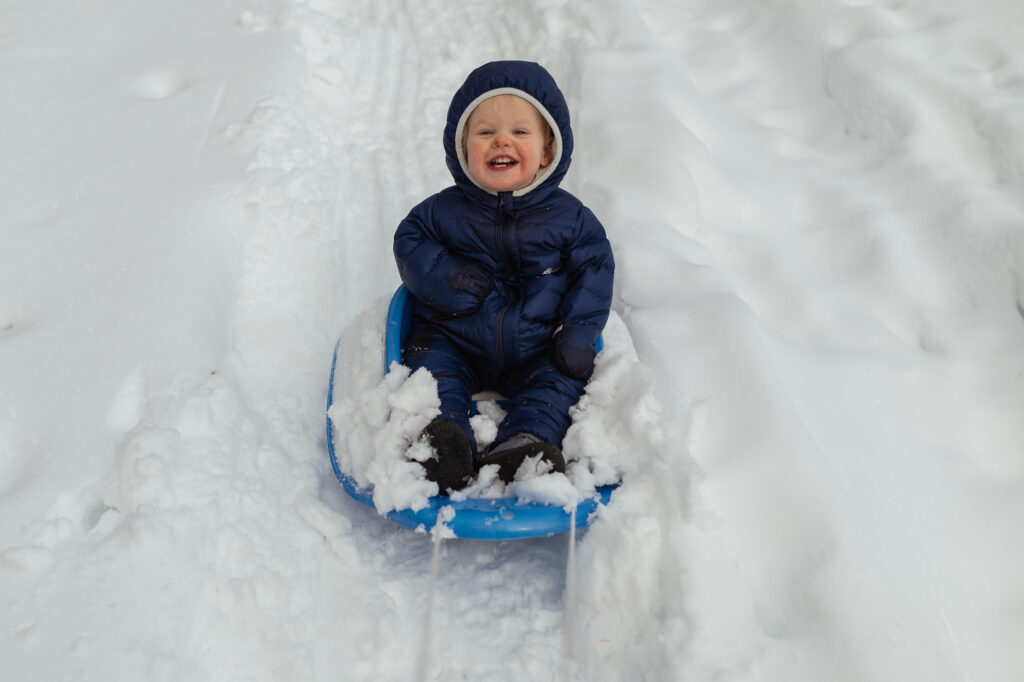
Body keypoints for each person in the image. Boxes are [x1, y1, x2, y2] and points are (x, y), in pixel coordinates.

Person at [393, 60, 614, 492]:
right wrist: (450, 280)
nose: (502, 141)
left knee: (558, 381)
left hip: (536, 346)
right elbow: (410, 242)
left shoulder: (571, 219)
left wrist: (575, 335)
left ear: (548, 151)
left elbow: (596, 270)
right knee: (432, 369)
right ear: (463, 148)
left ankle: (525, 444)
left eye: (520, 131)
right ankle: (444, 440)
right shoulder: (441, 210)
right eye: (486, 132)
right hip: (454, 337)